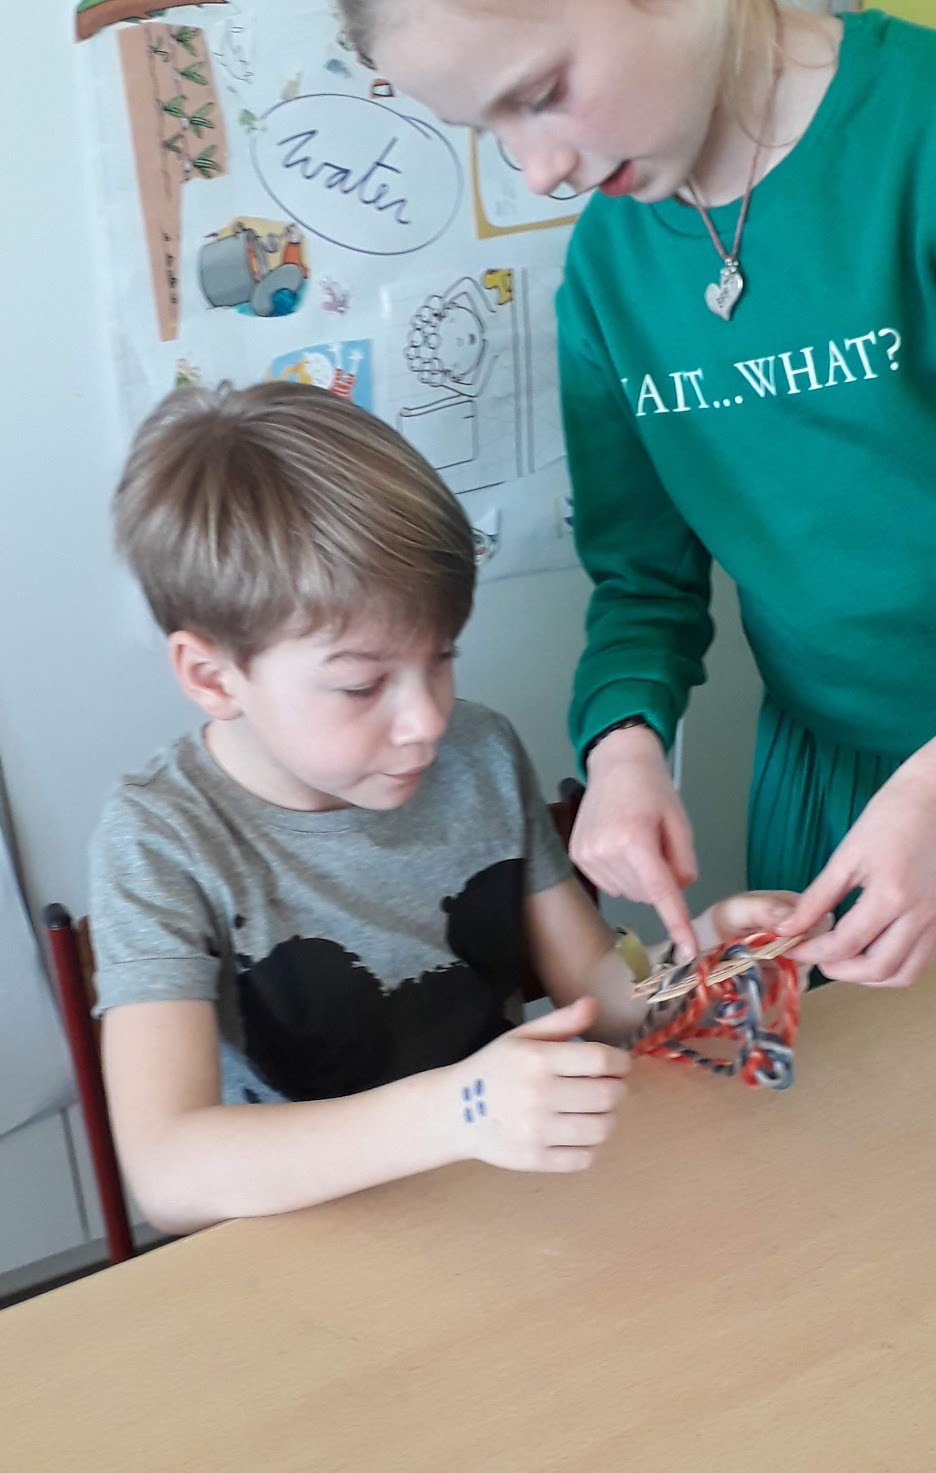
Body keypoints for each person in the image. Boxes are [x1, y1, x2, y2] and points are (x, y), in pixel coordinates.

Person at [342, 0, 936, 1020]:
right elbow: (643, 580)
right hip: (822, 777)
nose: (537, 168)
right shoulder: (611, 267)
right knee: (865, 1106)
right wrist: (623, 745)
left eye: (541, 95)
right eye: (488, 129)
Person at [90, 381, 801, 1236]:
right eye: (363, 685)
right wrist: (463, 1111)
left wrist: (708, 954)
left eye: (441, 659)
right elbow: (169, 1171)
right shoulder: (161, 839)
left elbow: (600, 994)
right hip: (315, 1245)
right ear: (212, 676)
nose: (426, 720)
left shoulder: (478, 753)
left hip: (511, 1212)